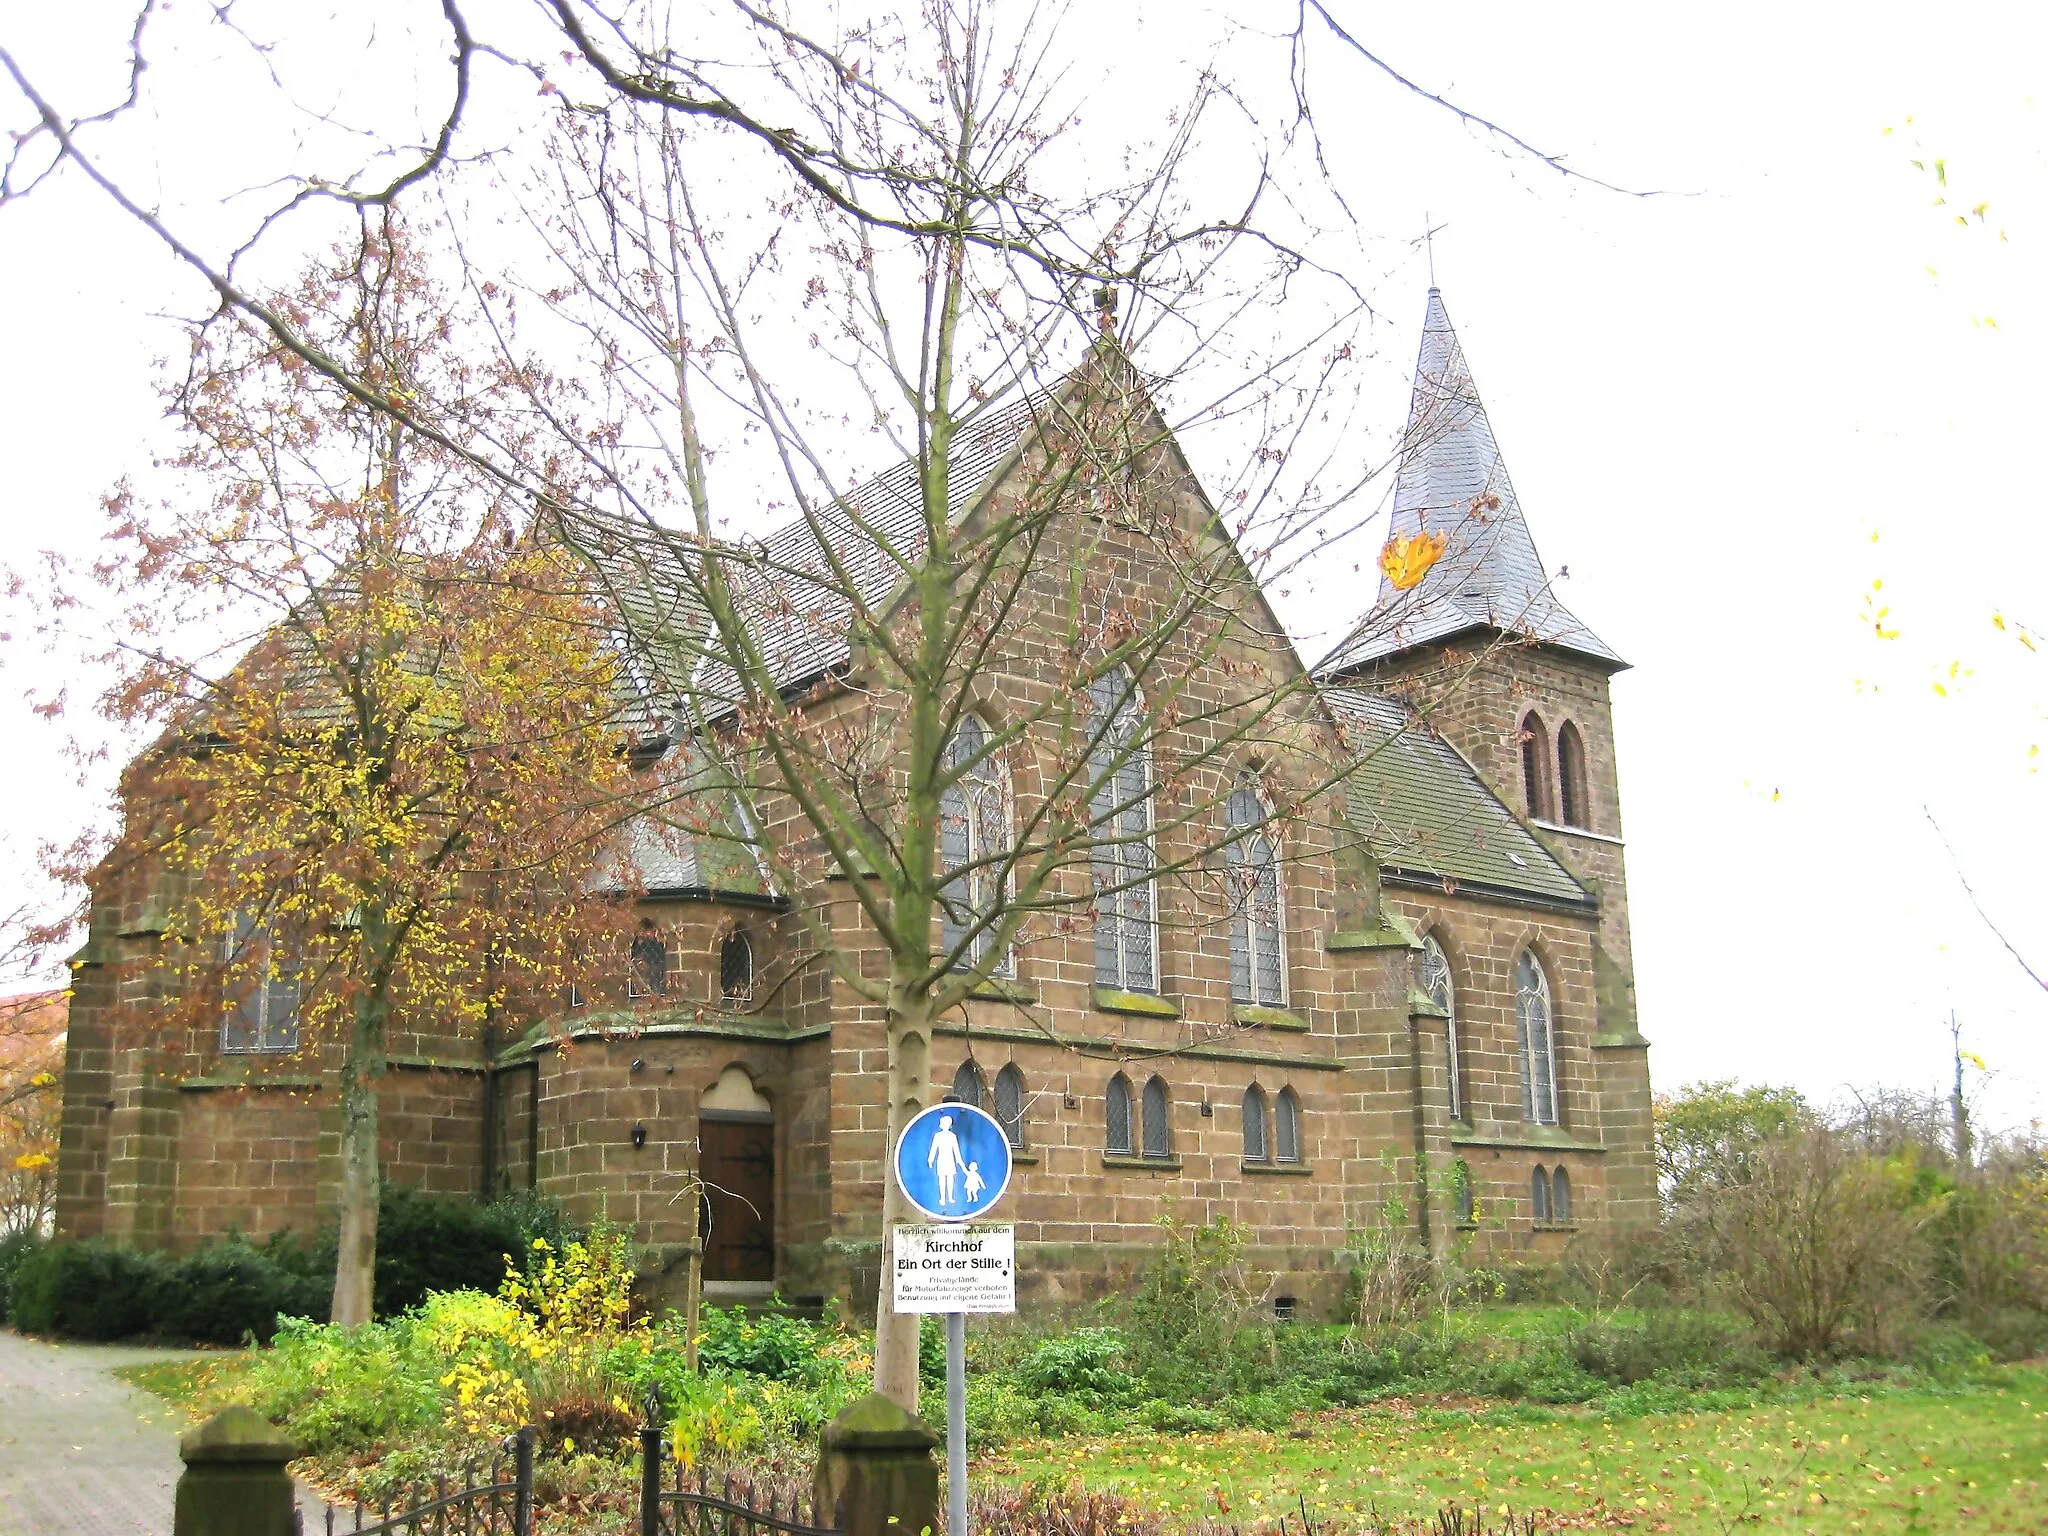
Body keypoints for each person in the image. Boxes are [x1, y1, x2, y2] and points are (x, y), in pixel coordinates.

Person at [927, 1113, 968, 1206]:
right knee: (941, 1180)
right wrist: (930, 1160)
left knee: (950, 1180)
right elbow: (934, 1148)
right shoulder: (937, 1136)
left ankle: (950, 1197)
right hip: (941, 1160)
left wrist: (960, 1161)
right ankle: (942, 1198)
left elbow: (956, 1150)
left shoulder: (952, 1136)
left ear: (949, 1125)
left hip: (950, 1160)